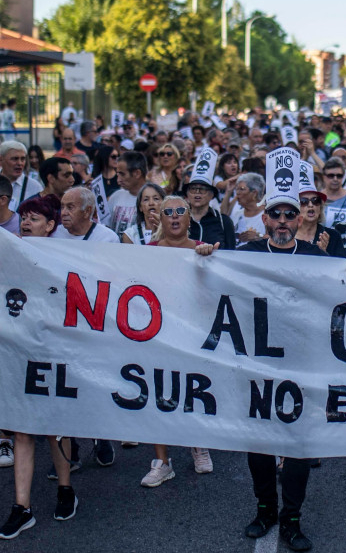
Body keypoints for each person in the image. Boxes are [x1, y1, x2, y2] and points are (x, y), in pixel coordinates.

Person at [196, 158, 321, 553]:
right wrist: (204, 256)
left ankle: (292, 518)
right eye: (275, 214)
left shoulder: (319, 258)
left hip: (302, 368)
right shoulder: (245, 254)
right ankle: (265, 509)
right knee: (260, 443)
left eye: (290, 214)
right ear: (265, 219)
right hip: (256, 366)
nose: (283, 221)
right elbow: (210, 283)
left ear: (300, 220)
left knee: (298, 447)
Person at [0, 194, 79, 540]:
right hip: (17, 353)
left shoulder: (66, 258)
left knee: (55, 428)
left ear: (51, 225)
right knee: (22, 430)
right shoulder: (7, 254)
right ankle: (22, 507)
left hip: (55, 354)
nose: (26, 223)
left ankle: (65, 489)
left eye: (34, 218)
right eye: (24, 217)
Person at [137, 195, 217, 488]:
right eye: (167, 211)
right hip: (157, 332)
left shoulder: (201, 249)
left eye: (179, 211)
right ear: (160, 217)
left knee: (193, 388)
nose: (173, 216)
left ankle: (198, 443)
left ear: (188, 218)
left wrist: (209, 260)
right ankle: (162, 461)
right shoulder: (148, 251)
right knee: (158, 391)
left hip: (192, 333)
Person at [183, 154, 236, 249]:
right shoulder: (179, 220)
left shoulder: (224, 222)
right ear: (187, 194)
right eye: (193, 189)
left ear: (211, 195)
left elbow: (231, 254)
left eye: (202, 189)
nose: (197, 193)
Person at [295, 163, 346, 257]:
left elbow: (340, 268)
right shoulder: (286, 234)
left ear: (320, 207)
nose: (311, 205)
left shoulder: (333, 236)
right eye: (304, 201)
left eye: (315, 201)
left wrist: (323, 253)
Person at [55, 186, 121, 243]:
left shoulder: (108, 238)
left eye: (70, 207)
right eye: (62, 207)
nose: (63, 213)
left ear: (87, 211)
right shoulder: (54, 235)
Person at [104, 150, 147, 234]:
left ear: (137, 173)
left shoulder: (155, 199)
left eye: (122, 174)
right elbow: (106, 226)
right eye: (117, 174)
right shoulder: (116, 196)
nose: (118, 180)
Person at [0, 141, 43, 210]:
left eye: (23, 159)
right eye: (15, 159)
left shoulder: (35, 187)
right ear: (1, 160)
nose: (20, 163)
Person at [230, 172, 267, 244]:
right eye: (237, 189)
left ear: (254, 193)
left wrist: (260, 237)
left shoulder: (269, 215)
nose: (237, 193)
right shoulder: (236, 215)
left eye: (242, 189)